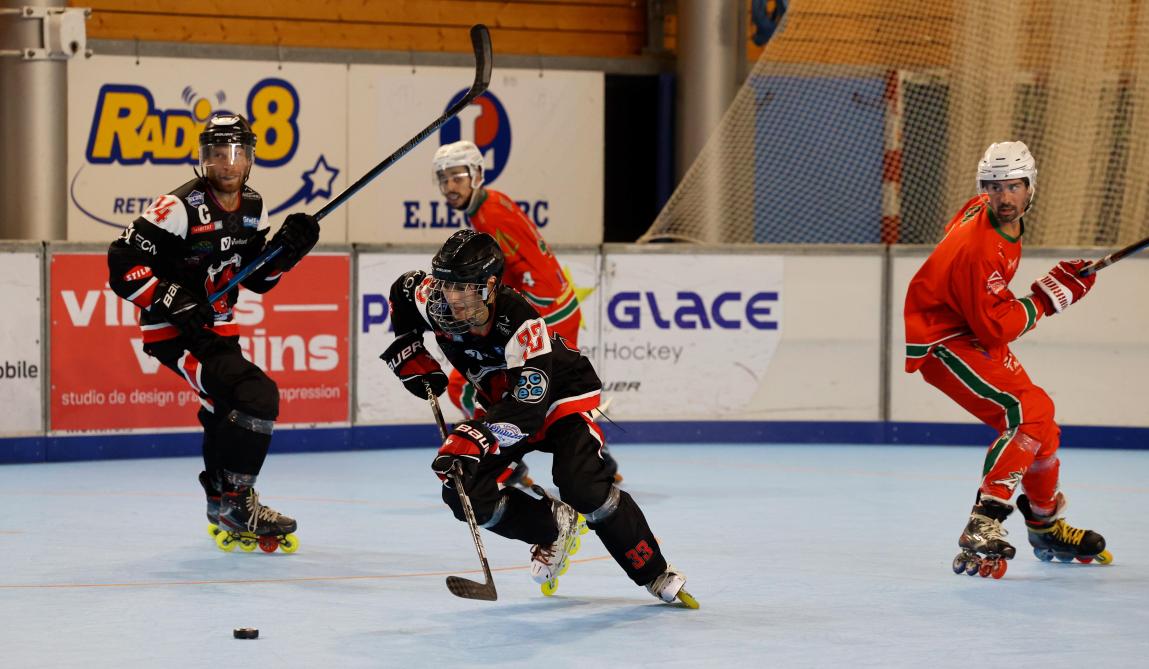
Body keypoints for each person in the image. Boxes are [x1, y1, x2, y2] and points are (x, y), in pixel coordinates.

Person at [381, 229, 696, 606]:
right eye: (447, 286)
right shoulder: (434, 298)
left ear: (490, 285)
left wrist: (475, 435)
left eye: (464, 288)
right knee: (462, 491)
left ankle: (654, 572)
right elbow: (402, 291)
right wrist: (408, 346)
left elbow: (528, 412)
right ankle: (551, 527)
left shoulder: (520, 323)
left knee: (582, 487)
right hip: (503, 400)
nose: (453, 299)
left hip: (556, 397)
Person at [106, 113, 320, 553]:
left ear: (251, 158)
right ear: (204, 158)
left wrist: (284, 254)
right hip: (178, 332)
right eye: (218, 153)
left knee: (225, 408)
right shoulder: (176, 207)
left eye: (237, 153)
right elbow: (121, 265)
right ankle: (239, 503)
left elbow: (255, 278)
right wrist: (171, 298)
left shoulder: (254, 206)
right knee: (256, 395)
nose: (228, 163)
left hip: (221, 327)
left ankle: (220, 499)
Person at [904, 141, 1112, 578]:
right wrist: (1047, 299)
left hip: (969, 327)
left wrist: (1023, 297)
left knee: (1043, 424)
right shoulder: (978, 248)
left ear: (1030, 186)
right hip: (944, 341)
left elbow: (989, 312)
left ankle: (1044, 522)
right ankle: (986, 520)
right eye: (994, 187)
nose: (1004, 197)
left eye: (1013, 186)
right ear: (984, 189)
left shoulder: (985, 214)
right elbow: (993, 328)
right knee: (1027, 412)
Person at [431, 140, 621, 482]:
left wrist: (515, 317)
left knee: (467, 384)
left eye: (457, 176)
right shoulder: (488, 205)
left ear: (476, 174)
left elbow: (524, 272)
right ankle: (589, 455)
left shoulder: (491, 214)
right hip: (555, 306)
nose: (450, 186)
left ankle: (515, 459)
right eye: (443, 179)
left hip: (550, 310)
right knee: (531, 389)